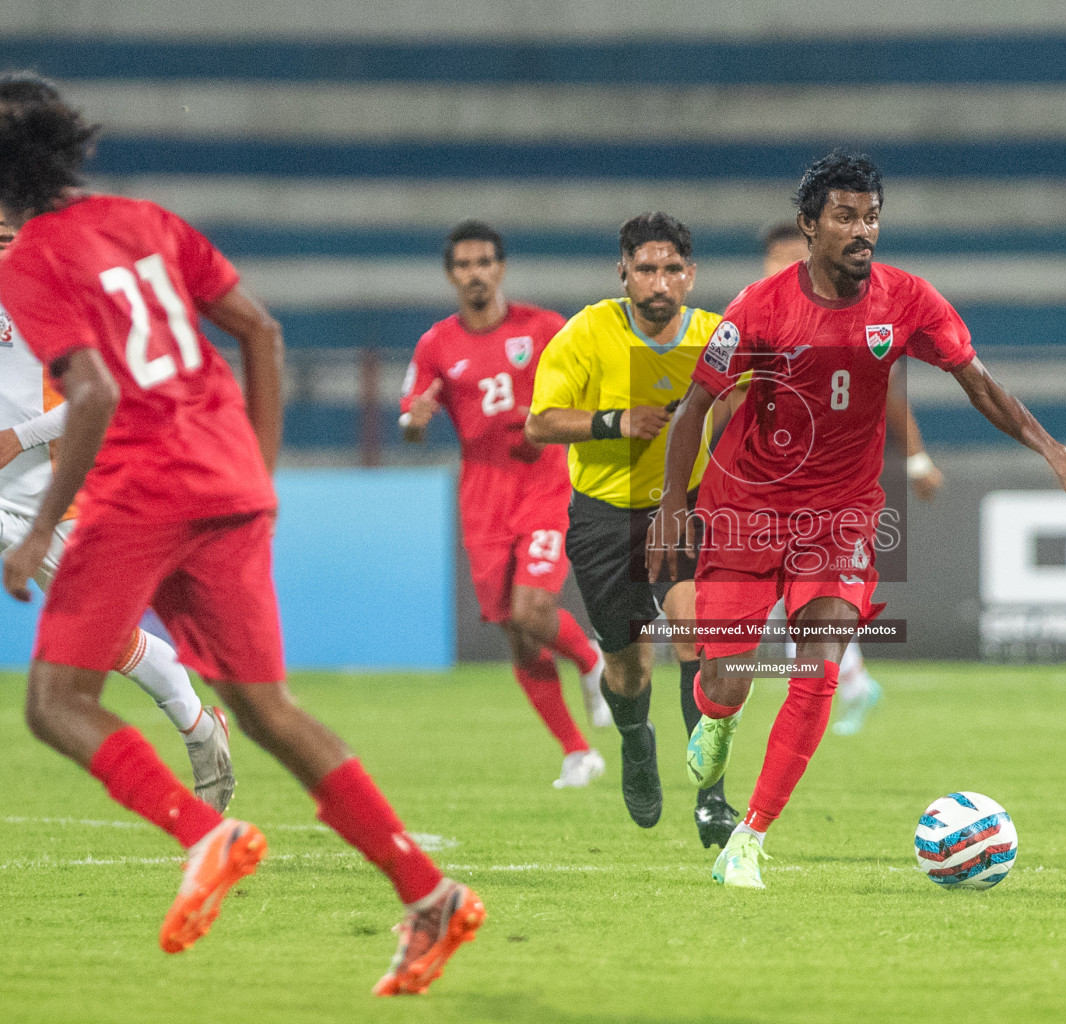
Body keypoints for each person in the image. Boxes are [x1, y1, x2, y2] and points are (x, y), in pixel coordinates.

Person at [0, 74, 482, 993]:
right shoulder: (148, 220)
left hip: (141, 489)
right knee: (267, 709)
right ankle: (431, 896)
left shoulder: (26, 262)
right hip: (228, 478)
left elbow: (93, 393)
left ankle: (205, 834)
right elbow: (260, 329)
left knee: (55, 701)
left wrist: (33, 537)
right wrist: (259, 469)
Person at [649, 151, 1066, 888]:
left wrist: (1051, 450)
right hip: (747, 509)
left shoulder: (906, 301)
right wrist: (674, 506)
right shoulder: (760, 307)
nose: (861, 229)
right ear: (810, 225)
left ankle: (750, 838)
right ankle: (717, 716)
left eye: (871, 216)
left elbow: (978, 382)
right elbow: (695, 406)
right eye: (844, 216)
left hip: (841, 516)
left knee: (819, 671)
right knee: (727, 678)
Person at [0, 216, 236, 810]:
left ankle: (196, 723)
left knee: (104, 641)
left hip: (53, 497)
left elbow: (99, 394)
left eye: (7, 234)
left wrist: (19, 438)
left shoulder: (54, 302)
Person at [525, 212, 737, 847]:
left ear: (691, 276)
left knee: (698, 636)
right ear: (624, 273)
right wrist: (615, 423)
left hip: (683, 506)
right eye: (647, 268)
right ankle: (635, 743)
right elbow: (539, 424)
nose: (660, 282)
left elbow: (754, 399)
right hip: (603, 515)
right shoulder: (587, 332)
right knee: (628, 667)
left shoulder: (715, 335)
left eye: (673, 269)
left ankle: (712, 796)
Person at [401, 219, 609, 790]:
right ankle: (576, 752)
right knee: (517, 635)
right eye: (464, 265)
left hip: (544, 485)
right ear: (451, 275)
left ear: (501, 268)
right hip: (483, 495)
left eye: (484, 262)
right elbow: (412, 416)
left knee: (532, 611)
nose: (475, 273)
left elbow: (590, 387)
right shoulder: (435, 345)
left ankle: (593, 662)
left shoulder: (544, 328)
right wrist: (415, 424)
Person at [756, 221, 949, 735]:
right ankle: (852, 682)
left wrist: (916, 459)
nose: (778, 266)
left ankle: (844, 683)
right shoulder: (759, 313)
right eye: (772, 257)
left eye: (788, 255)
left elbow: (888, 391)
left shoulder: (847, 315)